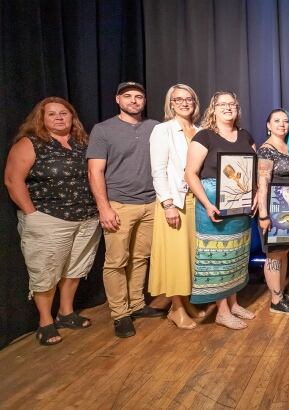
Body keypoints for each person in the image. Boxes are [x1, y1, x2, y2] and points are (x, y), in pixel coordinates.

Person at [4, 97, 101, 345]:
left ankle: (66, 312)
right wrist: (31, 214)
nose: (59, 118)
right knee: (45, 271)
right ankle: (45, 321)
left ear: (72, 117)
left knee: (75, 268)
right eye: (52, 114)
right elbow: (13, 181)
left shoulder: (83, 142)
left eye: (64, 113)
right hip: (48, 217)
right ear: (42, 118)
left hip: (86, 217)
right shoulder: (31, 143)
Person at [87, 82, 163, 338]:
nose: (134, 100)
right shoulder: (103, 130)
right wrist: (104, 208)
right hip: (119, 204)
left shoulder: (155, 128)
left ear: (144, 100)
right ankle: (120, 314)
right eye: (128, 96)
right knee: (116, 261)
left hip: (150, 203)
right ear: (118, 100)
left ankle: (137, 304)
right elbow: (94, 170)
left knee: (141, 258)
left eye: (139, 96)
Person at [185, 91, 257, 330]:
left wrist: (256, 193)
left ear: (237, 108)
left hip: (240, 206)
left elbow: (254, 168)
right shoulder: (204, 136)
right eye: (222, 104)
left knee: (236, 256)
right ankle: (222, 311)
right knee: (218, 259)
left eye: (232, 104)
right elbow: (190, 174)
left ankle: (234, 304)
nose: (228, 107)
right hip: (214, 207)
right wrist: (206, 203)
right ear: (213, 109)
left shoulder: (246, 136)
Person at [148, 84, 205, 330]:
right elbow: (158, 170)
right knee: (174, 258)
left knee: (190, 256)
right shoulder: (163, 130)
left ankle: (187, 302)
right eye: (178, 99)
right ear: (171, 104)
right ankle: (176, 308)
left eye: (189, 98)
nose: (184, 102)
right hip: (175, 202)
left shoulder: (201, 131)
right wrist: (168, 204)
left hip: (197, 201)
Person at [256, 109, 289, 315]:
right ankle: (276, 300)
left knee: (284, 252)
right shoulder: (266, 150)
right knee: (274, 255)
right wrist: (263, 215)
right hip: (274, 207)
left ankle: (281, 291)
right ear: (268, 125)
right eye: (276, 121)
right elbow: (262, 184)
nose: (282, 124)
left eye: (286, 121)